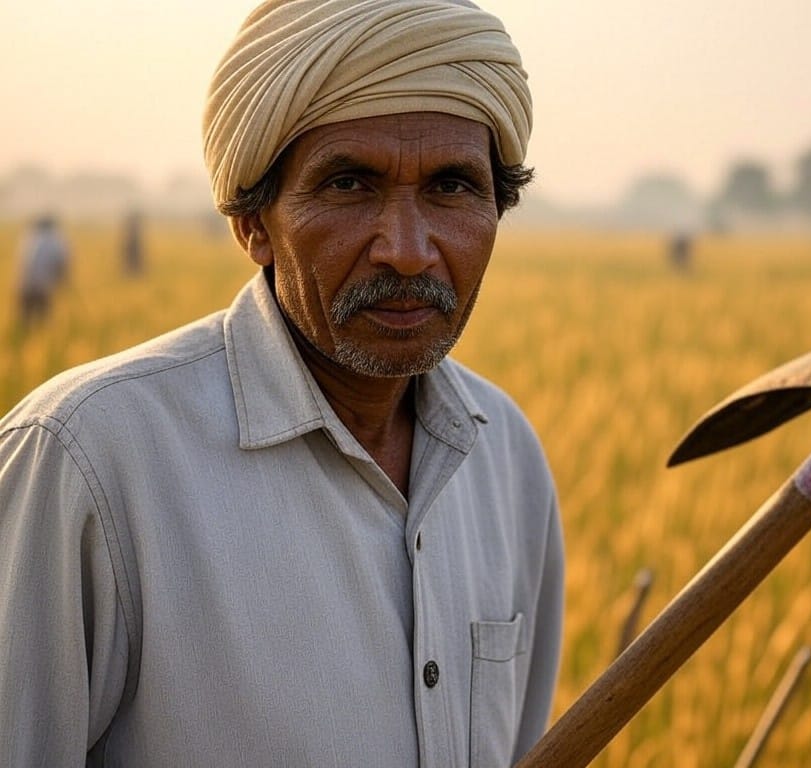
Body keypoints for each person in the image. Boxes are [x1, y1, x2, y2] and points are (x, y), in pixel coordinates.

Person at [0, 2, 564, 766]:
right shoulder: (89, 463)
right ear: (253, 224)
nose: (406, 250)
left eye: (452, 188)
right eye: (349, 185)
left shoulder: (509, 462)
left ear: (499, 209)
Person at [14, 213, 69, 329]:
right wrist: (63, 281)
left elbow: (22, 264)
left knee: (25, 321)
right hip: (42, 287)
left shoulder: (29, 238)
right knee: (42, 320)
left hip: (23, 286)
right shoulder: (55, 241)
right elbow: (62, 263)